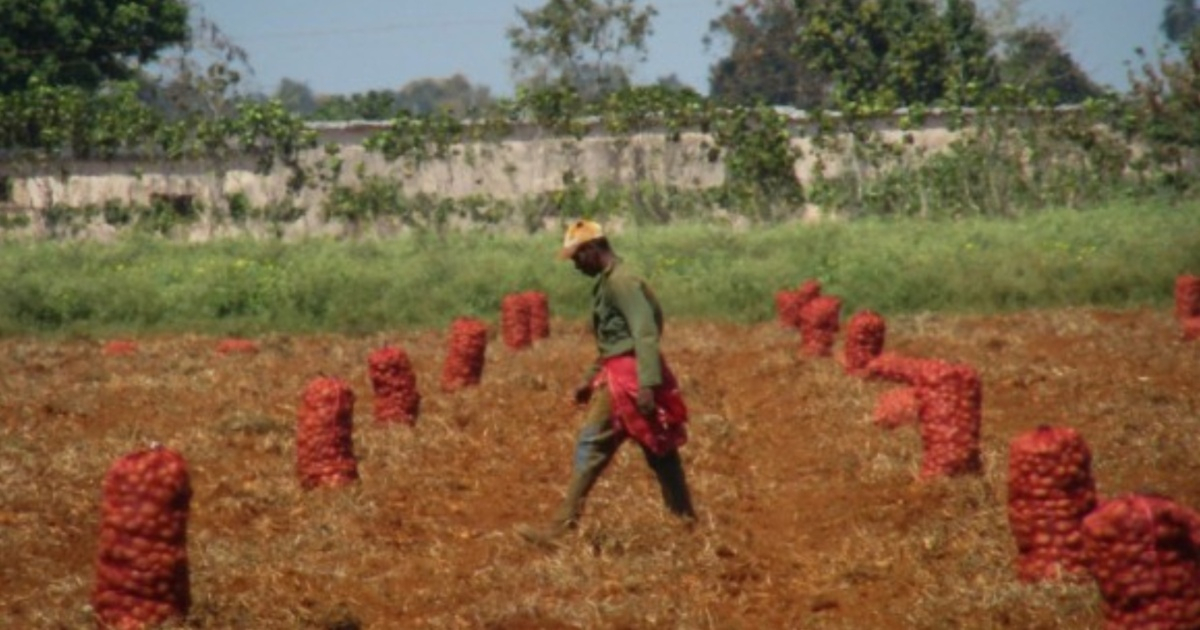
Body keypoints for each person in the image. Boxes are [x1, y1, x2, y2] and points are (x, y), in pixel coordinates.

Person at [518, 219, 696, 546]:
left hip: (628, 380)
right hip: (624, 372)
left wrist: (647, 384)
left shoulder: (621, 282)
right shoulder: (610, 281)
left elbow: (644, 331)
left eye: (577, 257)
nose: (576, 265)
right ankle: (686, 523)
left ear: (592, 249)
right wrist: (589, 379)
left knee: (592, 446)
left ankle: (560, 529)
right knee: (660, 450)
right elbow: (614, 341)